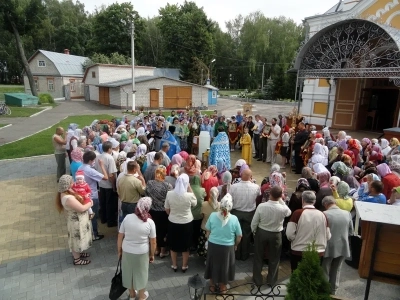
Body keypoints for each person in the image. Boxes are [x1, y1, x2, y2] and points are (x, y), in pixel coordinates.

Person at [251, 186, 291, 286]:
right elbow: (289, 212)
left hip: (262, 232)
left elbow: (254, 222)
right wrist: (281, 200)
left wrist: (254, 232)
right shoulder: (283, 208)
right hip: (276, 234)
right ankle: (272, 280)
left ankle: (257, 280)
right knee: (274, 258)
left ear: (270, 194)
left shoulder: (261, 206)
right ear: (280, 196)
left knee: (258, 256)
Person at [118, 197, 156, 300]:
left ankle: (132, 295)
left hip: (127, 250)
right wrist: (152, 255)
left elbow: (120, 236)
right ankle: (142, 296)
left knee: (128, 273)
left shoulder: (127, 217)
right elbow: (153, 242)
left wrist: (119, 251)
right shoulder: (150, 222)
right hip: (142, 253)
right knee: (141, 274)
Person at [204, 193, 242, 293]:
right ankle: (222, 288)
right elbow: (239, 236)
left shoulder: (212, 215)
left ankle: (212, 286)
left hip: (213, 245)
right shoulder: (234, 219)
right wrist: (235, 245)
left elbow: (207, 231)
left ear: (221, 205)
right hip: (228, 247)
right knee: (225, 266)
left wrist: (209, 240)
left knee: (213, 265)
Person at [286, 191, 331, 272]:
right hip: (318, 252)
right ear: (314, 201)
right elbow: (328, 236)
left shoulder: (297, 213)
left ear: (302, 200)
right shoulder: (323, 215)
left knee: (297, 277)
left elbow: (289, 234)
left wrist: (297, 239)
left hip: (299, 251)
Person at [56, 175, 93, 265]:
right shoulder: (68, 198)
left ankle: (78, 253)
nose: (73, 183)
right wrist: (91, 203)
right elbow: (81, 208)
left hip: (77, 221)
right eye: (71, 182)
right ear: (67, 184)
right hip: (76, 223)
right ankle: (77, 259)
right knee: (76, 239)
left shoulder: (66, 192)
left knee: (78, 238)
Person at [165, 174, 197, 272]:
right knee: (185, 246)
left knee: (173, 245)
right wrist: (189, 187)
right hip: (186, 223)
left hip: (173, 222)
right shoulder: (189, 195)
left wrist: (173, 215)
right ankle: (184, 265)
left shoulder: (170, 194)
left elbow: (167, 209)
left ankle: (174, 265)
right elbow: (195, 203)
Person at [322, 196, 353, 295]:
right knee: (337, 268)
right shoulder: (347, 214)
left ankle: (324, 289)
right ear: (335, 202)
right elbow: (351, 232)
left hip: (328, 246)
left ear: (326, 205)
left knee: (325, 268)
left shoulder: (324, 214)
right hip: (343, 246)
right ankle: (333, 290)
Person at [230, 168, 261, 261]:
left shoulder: (234, 187)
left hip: (236, 212)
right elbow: (259, 195)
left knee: (236, 233)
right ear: (251, 177)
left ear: (241, 176)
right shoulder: (255, 187)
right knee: (246, 234)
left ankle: (236, 253)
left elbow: (230, 198)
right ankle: (245, 254)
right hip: (249, 213)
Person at [78, 151, 108, 241]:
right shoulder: (90, 170)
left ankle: (89, 233)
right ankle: (94, 234)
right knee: (93, 216)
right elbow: (105, 177)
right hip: (92, 196)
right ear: (91, 160)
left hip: (82, 195)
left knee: (87, 216)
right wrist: (102, 165)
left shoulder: (80, 167)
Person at [96, 141, 118, 227]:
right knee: (110, 204)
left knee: (103, 202)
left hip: (101, 183)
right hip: (108, 184)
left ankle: (103, 219)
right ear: (109, 149)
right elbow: (111, 174)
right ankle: (110, 221)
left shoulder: (98, 156)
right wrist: (114, 185)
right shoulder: (110, 158)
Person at [198, 187, 220, 258]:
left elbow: (201, 215)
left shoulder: (204, 204)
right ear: (218, 194)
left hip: (205, 228)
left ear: (209, 194)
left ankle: (205, 257)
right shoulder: (221, 205)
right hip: (216, 230)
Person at [190, 175, 206, 251]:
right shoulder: (202, 190)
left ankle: (191, 244)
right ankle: (196, 244)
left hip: (190, 215)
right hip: (199, 215)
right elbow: (205, 197)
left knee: (191, 231)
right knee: (197, 231)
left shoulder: (189, 189)